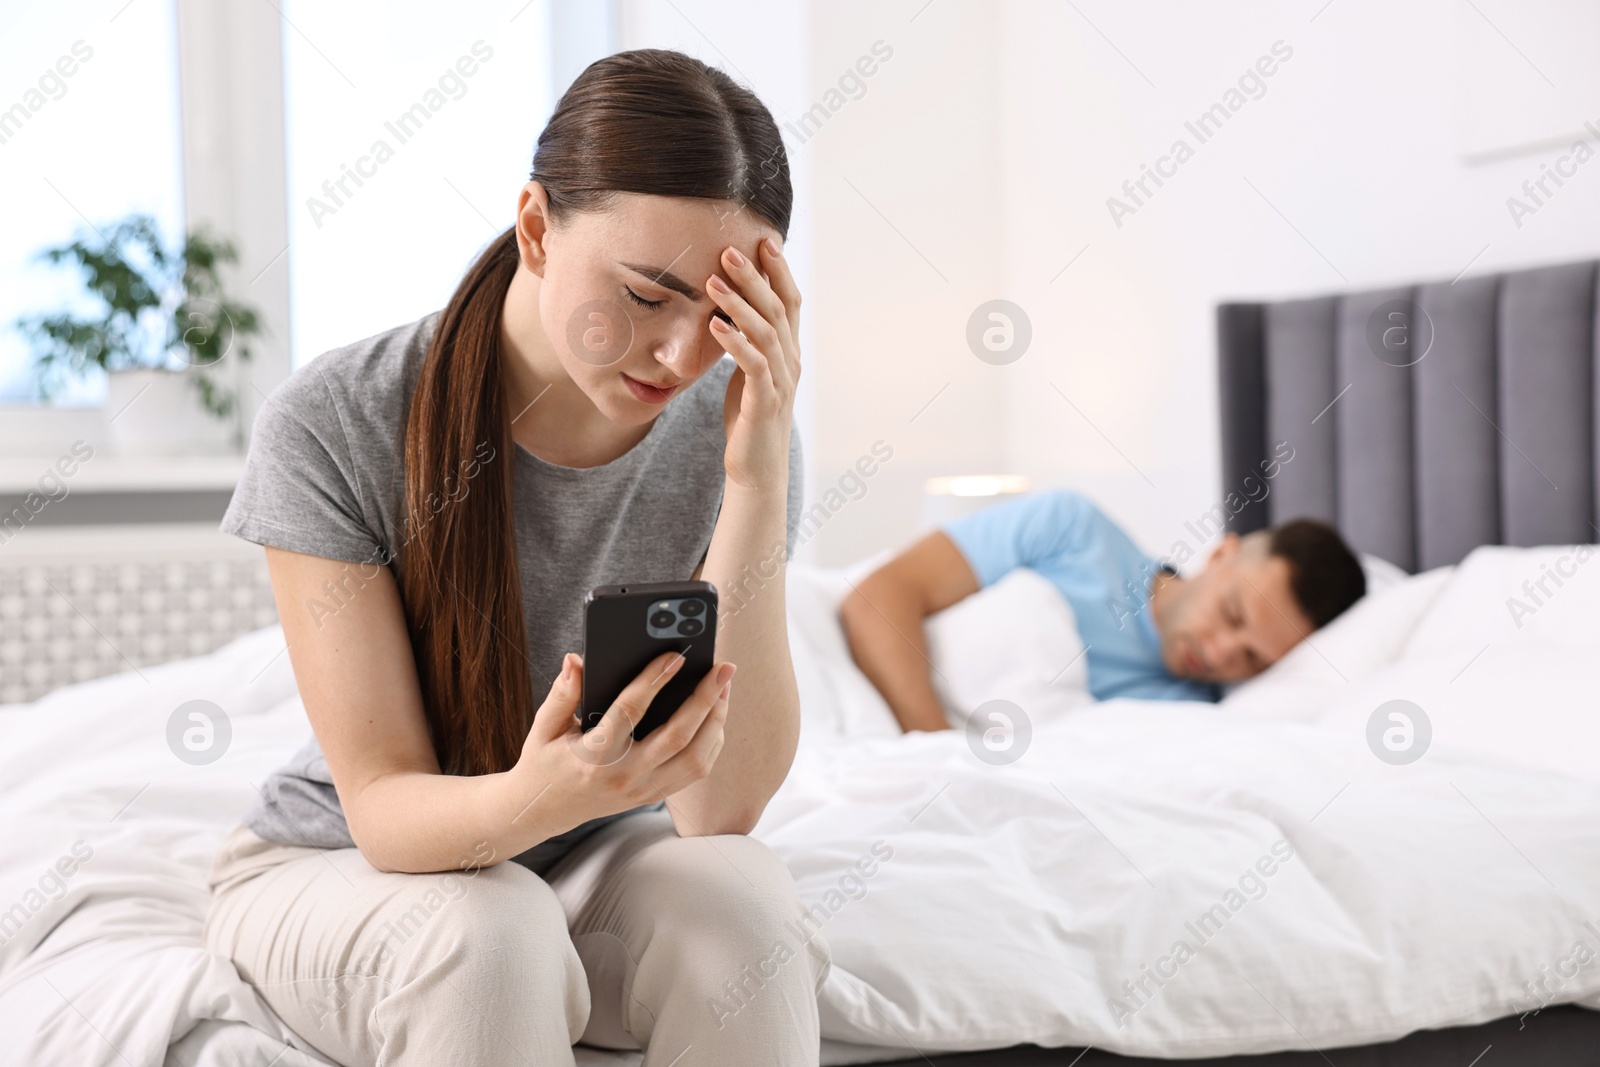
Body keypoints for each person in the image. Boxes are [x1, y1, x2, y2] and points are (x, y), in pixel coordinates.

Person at [202, 49, 828, 1067]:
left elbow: (720, 809)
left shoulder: (739, 426)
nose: (679, 356)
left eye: (719, 315)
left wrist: (754, 482)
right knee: (489, 934)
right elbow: (385, 807)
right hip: (348, 862)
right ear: (536, 228)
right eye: (643, 294)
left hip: (577, 859)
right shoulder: (337, 420)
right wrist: (556, 789)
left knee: (744, 906)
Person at [839, 488, 1366, 732]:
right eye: (1232, 614)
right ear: (1221, 553)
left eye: (1254, 659)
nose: (1224, 653)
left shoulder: (1193, 719)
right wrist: (936, 754)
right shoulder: (1074, 531)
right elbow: (878, 599)